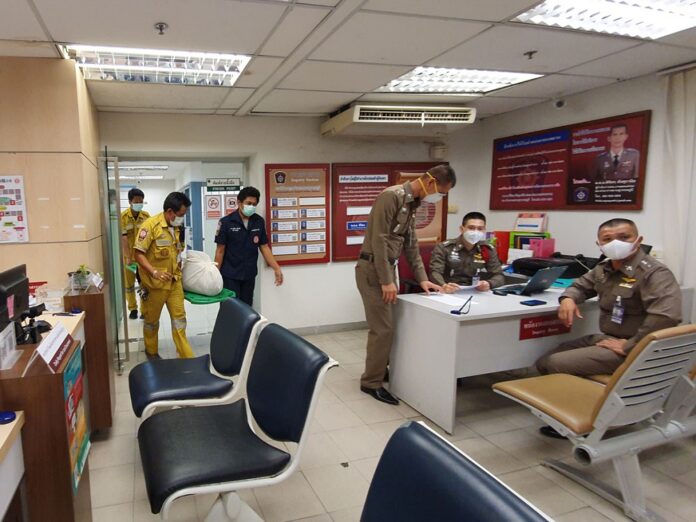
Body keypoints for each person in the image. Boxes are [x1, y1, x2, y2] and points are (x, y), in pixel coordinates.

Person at [535, 219, 681, 436]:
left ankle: (584, 424)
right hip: (608, 339)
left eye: (624, 238)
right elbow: (579, 286)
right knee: (543, 361)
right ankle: (586, 409)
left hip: (639, 349)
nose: (616, 243)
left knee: (557, 363)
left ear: (638, 240)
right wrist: (568, 299)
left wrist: (630, 346)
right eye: (608, 239)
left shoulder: (654, 273)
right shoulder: (604, 268)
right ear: (599, 245)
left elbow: (666, 317)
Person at [356, 165, 456, 405]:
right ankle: (371, 382)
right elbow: (379, 241)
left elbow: (411, 245)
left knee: (391, 326)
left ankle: (381, 369)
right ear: (430, 182)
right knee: (383, 329)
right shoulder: (391, 196)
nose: (439, 197)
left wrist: (423, 279)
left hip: (387, 269)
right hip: (373, 271)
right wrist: (387, 281)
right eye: (441, 192)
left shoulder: (412, 203)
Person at [134, 192, 194, 360]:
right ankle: (151, 352)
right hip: (154, 286)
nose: (182, 218)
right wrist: (154, 272)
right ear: (170, 211)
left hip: (174, 283)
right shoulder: (150, 226)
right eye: (181, 215)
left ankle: (186, 357)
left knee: (179, 321)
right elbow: (138, 254)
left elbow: (178, 250)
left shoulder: (177, 228)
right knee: (152, 322)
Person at [214, 186, 283, 307]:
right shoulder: (226, 222)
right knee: (229, 308)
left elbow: (264, 247)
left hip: (249, 274)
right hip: (230, 275)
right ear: (239, 202)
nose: (251, 206)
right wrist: (214, 274)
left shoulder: (258, 221)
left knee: (246, 308)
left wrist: (276, 268)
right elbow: (220, 251)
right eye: (248, 203)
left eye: (254, 204)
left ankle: (245, 327)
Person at [429, 211, 504, 293]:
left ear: (484, 230)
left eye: (480, 229)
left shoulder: (487, 249)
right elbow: (434, 272)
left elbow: (499, 275)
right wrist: (443, 285)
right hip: (448, 291)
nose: (475, 232)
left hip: (474, 291)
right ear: (462, 229)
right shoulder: (445, 247)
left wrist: (489, 283)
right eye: (471, 228)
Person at [120, 188, 150, 319]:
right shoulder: (124, 217)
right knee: (129, 285)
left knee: (144, 283)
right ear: (130, 202)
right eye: (136, 201)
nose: (139, 203)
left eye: (141, 201)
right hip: (128, 257)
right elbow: (123, 238)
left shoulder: (146, 216)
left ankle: (144, 310)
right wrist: (127, 257)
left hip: (143, 256)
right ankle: (132, 309)